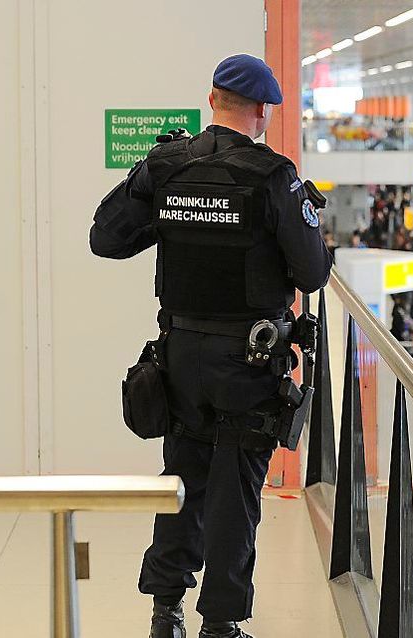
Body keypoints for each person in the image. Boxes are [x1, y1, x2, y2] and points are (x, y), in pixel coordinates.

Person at [91, 54, 333, 638]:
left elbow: (106, 238)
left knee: (182, 482)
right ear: (264, 111)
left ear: (212, 100)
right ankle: (220, 624)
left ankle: (164, 612)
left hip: (179, 360)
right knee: (235, 495)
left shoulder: (167, 166)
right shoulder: (274, 176)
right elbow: (311, 273)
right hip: (248, 362)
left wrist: (155, 193)